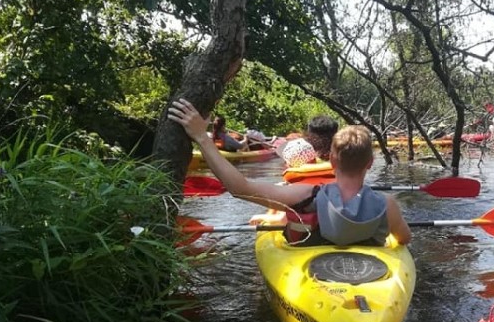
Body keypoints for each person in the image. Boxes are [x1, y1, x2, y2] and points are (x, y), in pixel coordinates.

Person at [168, 98, 411, 246]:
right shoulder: (387, 205)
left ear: (332, 161)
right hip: (370, 276)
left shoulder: (304, 196)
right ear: (369, 163)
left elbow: (239, 188)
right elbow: (404, 239)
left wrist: (201, 136)